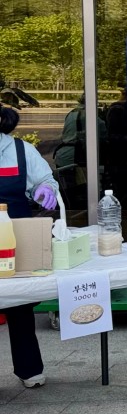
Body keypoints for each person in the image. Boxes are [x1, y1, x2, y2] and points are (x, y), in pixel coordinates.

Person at [0, 107, 58, 388]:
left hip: (15, 235)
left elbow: (45, 181)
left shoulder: (21, 150)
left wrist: (44, 190)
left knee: (19, 302)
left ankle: (29, 368)